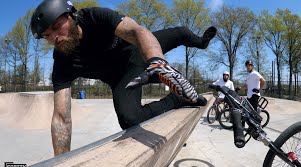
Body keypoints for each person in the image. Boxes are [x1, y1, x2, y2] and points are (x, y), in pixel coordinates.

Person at [30, 0, 217, 156]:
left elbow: (138, 32)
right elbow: (62, 117)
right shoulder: (62, 61)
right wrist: (61, 160)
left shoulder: (95, 17)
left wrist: (157, 61)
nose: (54, 37)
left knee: (181, 33)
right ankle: (177, 99)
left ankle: (201, 42)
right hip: (123, 78)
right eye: (47, 35)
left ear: (71, 15)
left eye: (56, 27)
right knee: (129, 119)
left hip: (139, 50)